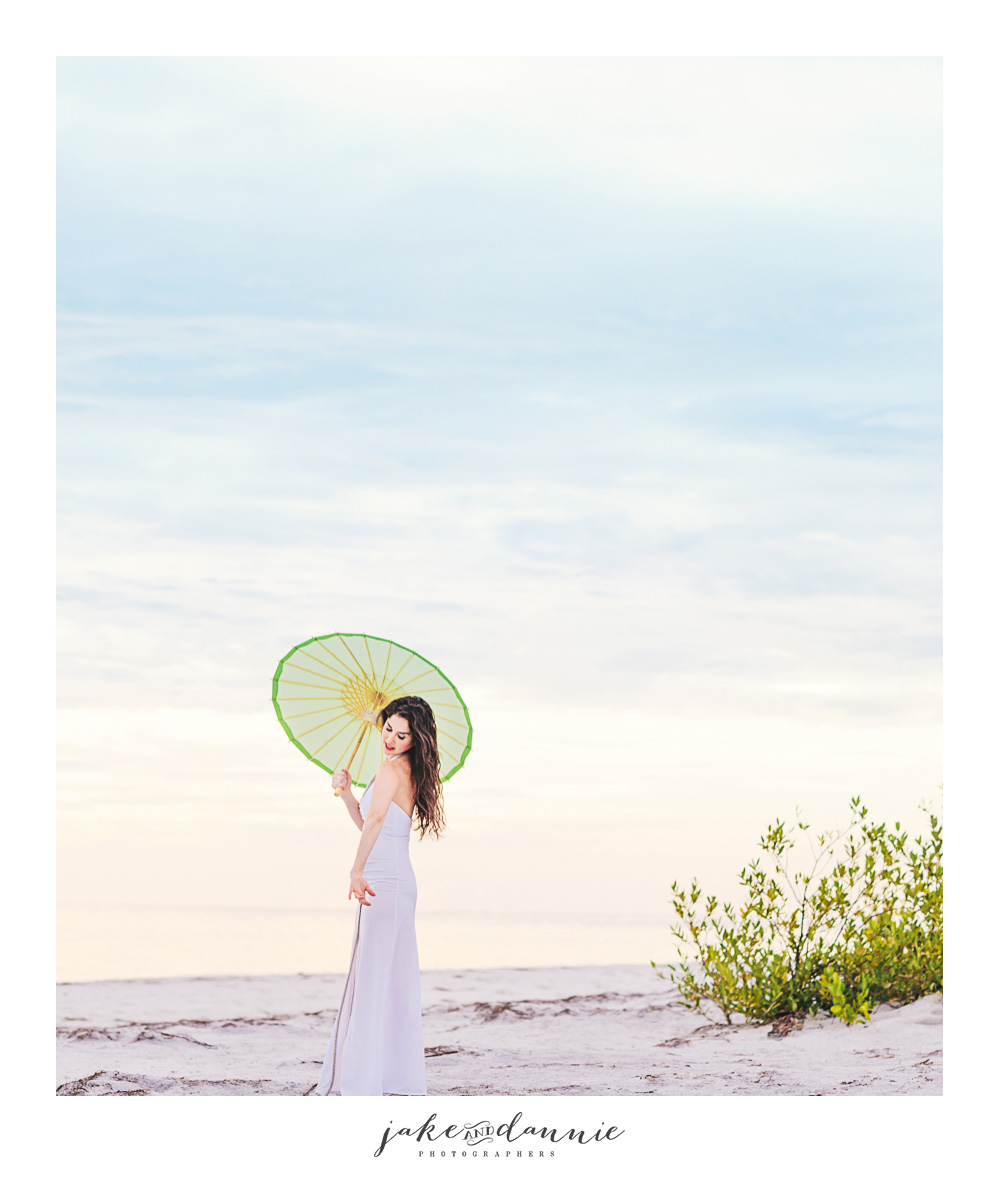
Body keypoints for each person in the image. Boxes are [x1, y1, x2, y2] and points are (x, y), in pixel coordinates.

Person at [315, 695, 445, 1096]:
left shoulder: (392, 770)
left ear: (415, 740)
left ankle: (368, 1078)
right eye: (388, 728)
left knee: (374, 978)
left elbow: (374, 823)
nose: (391, 738)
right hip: (393, 881)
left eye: (402, 735)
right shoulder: (401, 770)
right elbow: (370, 823)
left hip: (385, 881)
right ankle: (387, 1076)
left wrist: (356, 870)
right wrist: (349, 793)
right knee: (388, 980)